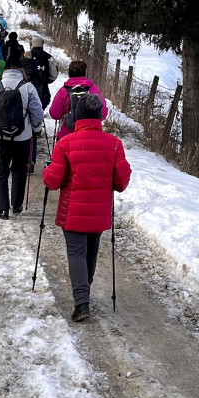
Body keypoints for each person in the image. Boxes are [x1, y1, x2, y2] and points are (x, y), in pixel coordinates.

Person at [42, 91, 131, 321]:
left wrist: (46, 171)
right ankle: (85, 289)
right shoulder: (114, 144)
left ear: (77, 115)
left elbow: (53, 181)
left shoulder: (65, 143)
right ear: (99, 116)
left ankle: (82, 302)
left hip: (73, 212)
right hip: (99, 211)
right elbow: (121, 182)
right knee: (90, 252)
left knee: (76, 253)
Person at [0, 52, 44, 218]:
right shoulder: (28, 87)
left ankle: (3, 209)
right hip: (22, 136)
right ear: (20, 69)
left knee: (0, 172)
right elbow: (37, 112)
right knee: (19, 171)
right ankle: (17, 205)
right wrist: (35, 128)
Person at [49, 59, 107, 140]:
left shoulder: (63, 91)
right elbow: (103, 113)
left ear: (69, 73)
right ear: (84, 73)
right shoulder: (93, 89)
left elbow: (55, 114)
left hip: (66, 137)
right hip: (89, 136)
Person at [26, 36, 58, 108]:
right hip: (43, 90)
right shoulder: (48, 57)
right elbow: (54, 74)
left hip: (27, 90)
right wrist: (48, 80)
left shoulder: (26, 56)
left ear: (31, 44)